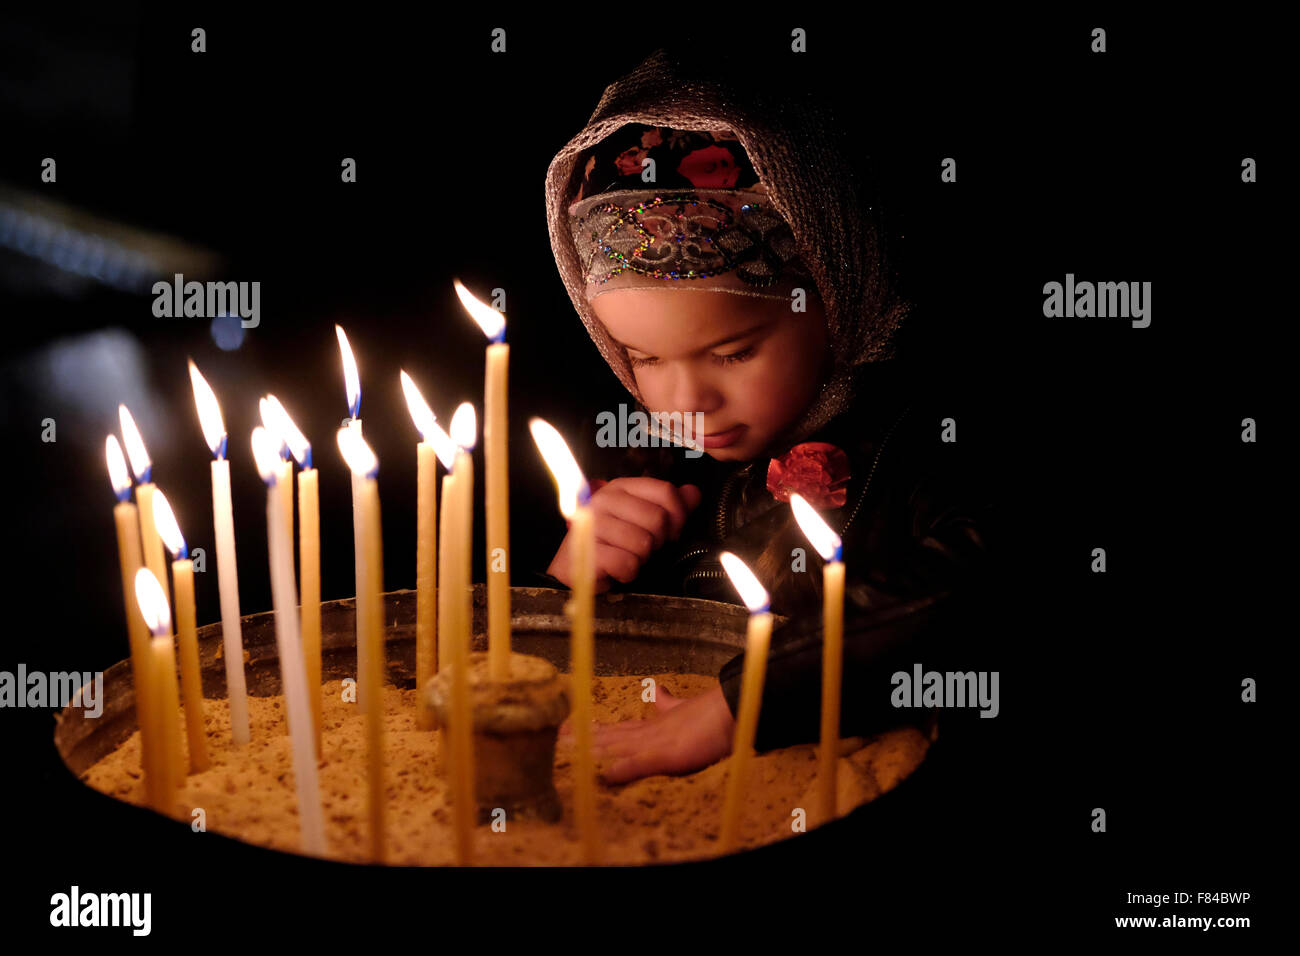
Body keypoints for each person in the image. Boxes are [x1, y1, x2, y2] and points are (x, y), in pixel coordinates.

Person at [538, 47, 997, 785]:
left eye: (732, 352)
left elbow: (976, 589)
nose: (684, 404)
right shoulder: (656, 471)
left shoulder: (930, 445)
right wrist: (576, 586)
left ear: (839, 295)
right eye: (643, 358)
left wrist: (746, 703)